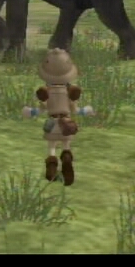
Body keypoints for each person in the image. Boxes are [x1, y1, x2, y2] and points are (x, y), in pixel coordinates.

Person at [22, 48, 95, 186]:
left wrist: (29, 112)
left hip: (52, 123)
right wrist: (87, 110)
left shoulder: (45, 93)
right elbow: (75, 110)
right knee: (66, 145)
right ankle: (66, 161)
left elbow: (40, 110)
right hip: (66, 123)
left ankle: (51, 170)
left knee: (52, 147)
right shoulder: (70, 92)